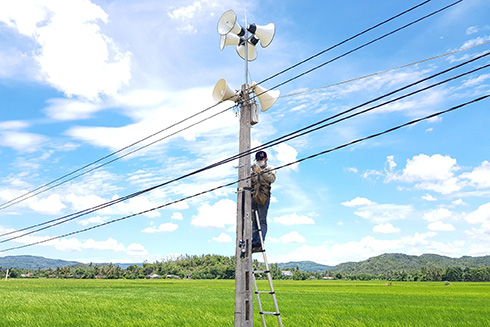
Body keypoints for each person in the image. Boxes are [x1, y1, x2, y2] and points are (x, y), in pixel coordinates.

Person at [251, 150, 276, 253]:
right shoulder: (253, 170)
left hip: (264, 196)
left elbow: (272, 179)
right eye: (258, 160)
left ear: (266, 159)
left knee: (262, 220)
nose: (259, 161)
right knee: (254, 221)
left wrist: (260, 172)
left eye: (261, 160)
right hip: (253, 195)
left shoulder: (269, 168)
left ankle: (260, 241)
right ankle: (254, 241)